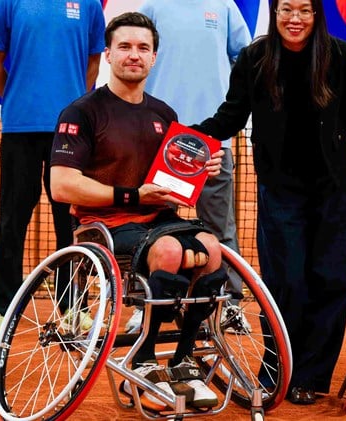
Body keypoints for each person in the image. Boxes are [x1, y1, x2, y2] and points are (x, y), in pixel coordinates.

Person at [192, 0, 346, 405]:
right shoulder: (254, 58)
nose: (295, 19)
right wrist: (190, 137)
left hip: (335, 190)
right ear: (275, 14)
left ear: (316, 15)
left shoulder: (338, 53)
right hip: (280, 192)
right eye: (286, 10)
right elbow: (230, 116)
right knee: (284, 284)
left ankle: (312, 377)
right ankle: (278, 369)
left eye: (305, 10)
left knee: (328, 282)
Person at [50, 12, 226, 411]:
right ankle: (144, 359)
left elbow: (173, 184)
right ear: (108, 54)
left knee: (212, 248)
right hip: (103, 225)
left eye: (143, 48)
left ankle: (184, 362)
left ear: (154, 57)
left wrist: (200, 169)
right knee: (169, 252)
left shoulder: (164, 115)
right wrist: (133, 197)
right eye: (125, 47)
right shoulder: (81, 112)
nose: (134, 55)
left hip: (158, 219)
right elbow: (62, 186)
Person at [123, 0, 252, 335]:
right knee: (147, 229)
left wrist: (231, 102)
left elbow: (247, 59)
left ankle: (228, 305)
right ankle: (144, 305)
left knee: (220, 229)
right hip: (159, 140)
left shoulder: (224, 7)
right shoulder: (153, 7)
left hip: (213, 141)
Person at [0, 0, 106, 337]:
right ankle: (0, 308)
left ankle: (74, 308)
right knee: (12, 219)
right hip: (20, 128)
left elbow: (93, 62)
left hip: (70, 131)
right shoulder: (8, 2)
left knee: (72, 221)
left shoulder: (89, 5)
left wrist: (74, 106)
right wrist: (17, 98)